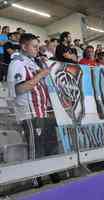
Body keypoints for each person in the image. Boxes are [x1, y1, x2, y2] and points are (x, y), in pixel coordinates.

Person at [7, 33, 61, 187]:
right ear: (24, 46)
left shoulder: (31, 62)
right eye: (34, 46)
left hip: (42, 111)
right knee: (36, 146)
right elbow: (20, 88)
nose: (38, 49)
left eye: (38, 46)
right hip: (29, 113)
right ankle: (35, 178)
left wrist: (43, 69)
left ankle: (52, 171)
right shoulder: (17, 63)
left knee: (50, 145)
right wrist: (41, 75)